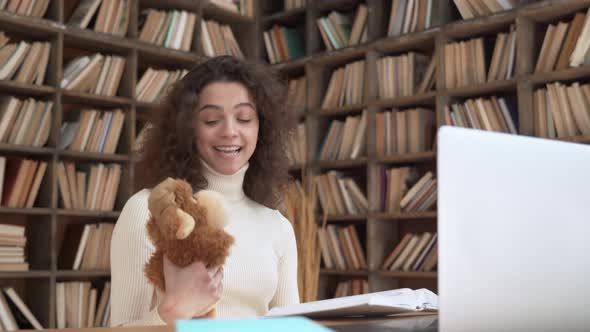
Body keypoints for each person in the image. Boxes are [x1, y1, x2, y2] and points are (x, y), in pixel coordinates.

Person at [110, 56, 299, 326]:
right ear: (188, 129)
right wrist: (176, 310)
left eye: (244, 118)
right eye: (211, 120)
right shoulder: (148, 210)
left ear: (262, 127)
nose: (230, 132)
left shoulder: (278, 227)